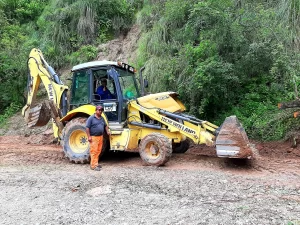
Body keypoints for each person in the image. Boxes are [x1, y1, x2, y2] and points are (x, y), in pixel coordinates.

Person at [86, 105, 111, 171]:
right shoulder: (91, 118)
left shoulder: (102, 118)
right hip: (94, 137)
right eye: (99, 110)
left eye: (101, 110)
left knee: (98, 151)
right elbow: (87, 128)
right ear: (96, 110)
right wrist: (89, 137)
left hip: (100, 137)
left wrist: (107, 131)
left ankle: (96, 164)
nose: (100, 111)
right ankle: (93, 166)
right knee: (94, 151)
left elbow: (105, 125)